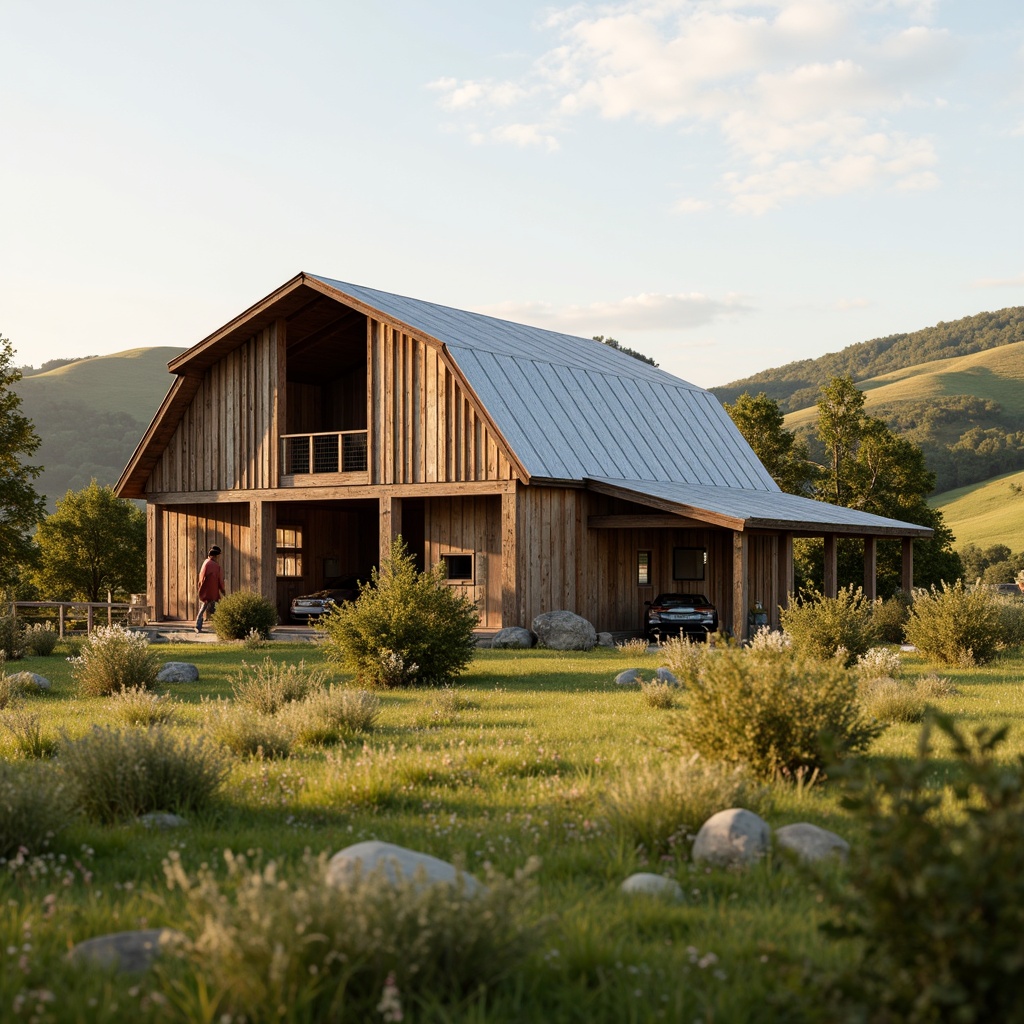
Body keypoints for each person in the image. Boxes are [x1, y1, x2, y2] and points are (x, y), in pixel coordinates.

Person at [195, 545, 225, 633]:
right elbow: (220, 580)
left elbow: (201, 577)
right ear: (215, 556)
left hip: (204, 591)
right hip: (213, 592)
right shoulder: (216, 566)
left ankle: (198, 626)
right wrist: (223, 590)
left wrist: (200, 588)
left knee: (203, 608)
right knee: (217, 609)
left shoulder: (206, 563)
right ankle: (221, 627)